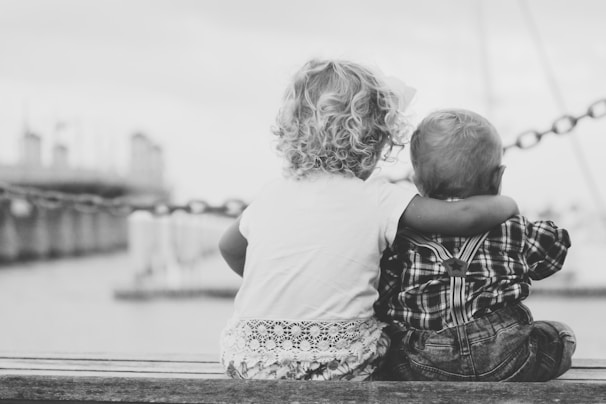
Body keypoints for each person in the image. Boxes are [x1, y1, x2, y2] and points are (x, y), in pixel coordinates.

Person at [218, 60, 518, 380]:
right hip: (339, 365)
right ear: (374, 145)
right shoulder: (377, 197)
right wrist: (507, 203)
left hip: (248, 360)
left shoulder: (272, 194)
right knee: (399, 336)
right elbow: (464, 216)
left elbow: (230, 249)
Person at [375, 108, 575, 382]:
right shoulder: (513, 230)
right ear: (498, 178)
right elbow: (553, 257)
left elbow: (384, 296)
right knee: (560, 335)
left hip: (425, 363)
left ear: (417, 182)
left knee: (390, 350)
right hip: (507, 357)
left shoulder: (401, 240)